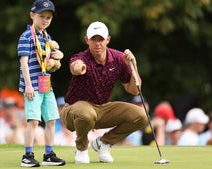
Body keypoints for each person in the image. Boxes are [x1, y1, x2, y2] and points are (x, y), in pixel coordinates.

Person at [59, 21, 148, 164]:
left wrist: (133, 65)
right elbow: (74, 66)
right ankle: (81, 148)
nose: (97, 43)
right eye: (93, 39)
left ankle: (103, 143)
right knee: (86, 114)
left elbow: (134, 90)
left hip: (102, 109)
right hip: (73, 110)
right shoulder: (80, 57)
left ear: (108, 40)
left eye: (101, 39)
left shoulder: (118, 59)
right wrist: (78, 68)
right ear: (87, 40)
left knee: (140, 116)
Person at [17, 0, 65, 167]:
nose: (45, 20)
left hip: (46, 84)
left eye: (48, 18)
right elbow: (24, 62)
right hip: (32, 85)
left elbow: (47, 64)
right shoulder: (26, 36)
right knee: (33, 121)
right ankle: (27, 155)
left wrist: (57, 57)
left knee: (51, 119)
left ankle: (49, 154)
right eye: (41, 16)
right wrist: (28, 85)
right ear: (32, 15)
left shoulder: (47, 37)